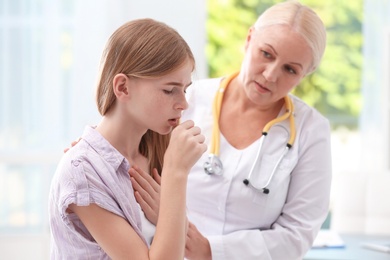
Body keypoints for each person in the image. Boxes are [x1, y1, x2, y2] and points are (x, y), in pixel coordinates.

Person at [130, 1, 332, 259]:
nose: (270, 75)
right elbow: (127, 149)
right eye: (266, 54)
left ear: (306, 74)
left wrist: (212, 251)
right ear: (249, 39)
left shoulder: (311, 130)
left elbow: (298, 233)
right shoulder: (187, 98)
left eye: (290, 69)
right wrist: (97, 149)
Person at [48, 18, 207, 259]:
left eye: (184, 89)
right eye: (169, 90)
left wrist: (167, 211)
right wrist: (176, 173)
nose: (183, 103)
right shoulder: (83, 172)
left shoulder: (157, 149)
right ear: (122, 87)